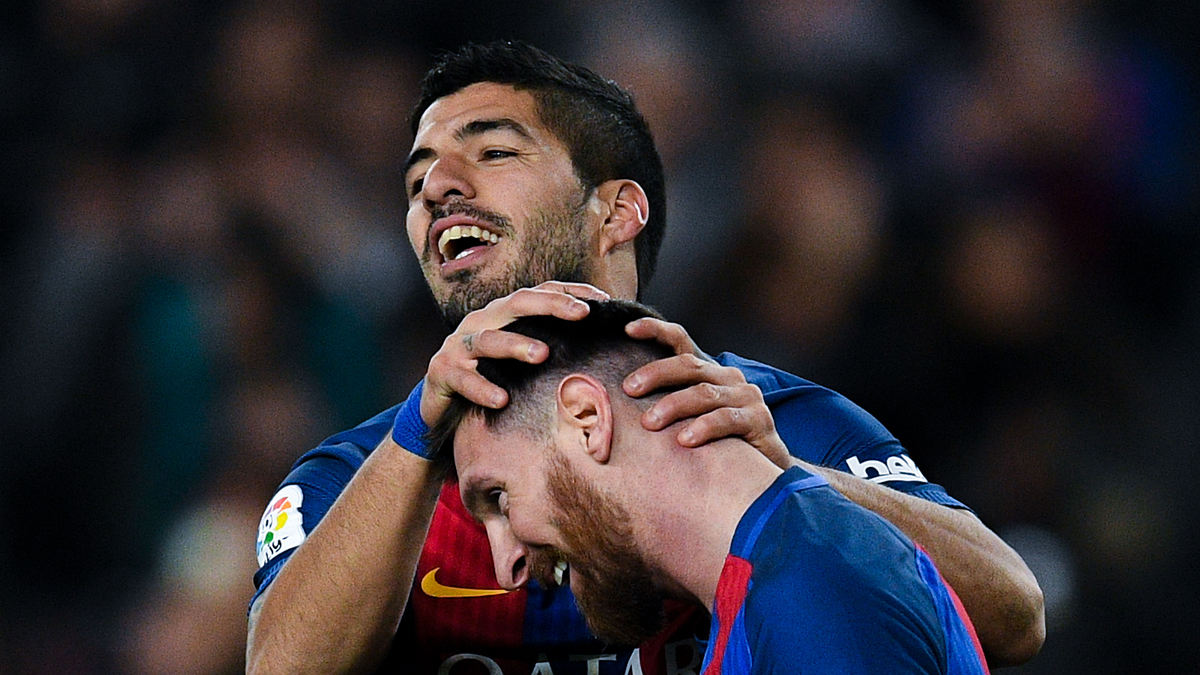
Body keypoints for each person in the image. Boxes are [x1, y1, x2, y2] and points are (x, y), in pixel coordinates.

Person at [245, 40, 1043, 675]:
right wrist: (416, 442)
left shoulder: (770, 420)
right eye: (417, 180)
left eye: (491, 154)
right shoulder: (360, 472)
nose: (436, 190)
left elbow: (1013, 613)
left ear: (618, 210)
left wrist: (782, 477)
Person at [430, 298, 990, 675]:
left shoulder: (812, 591)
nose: (505, 567)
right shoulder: (770, 578)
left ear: (585, 419)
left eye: (499, 498)